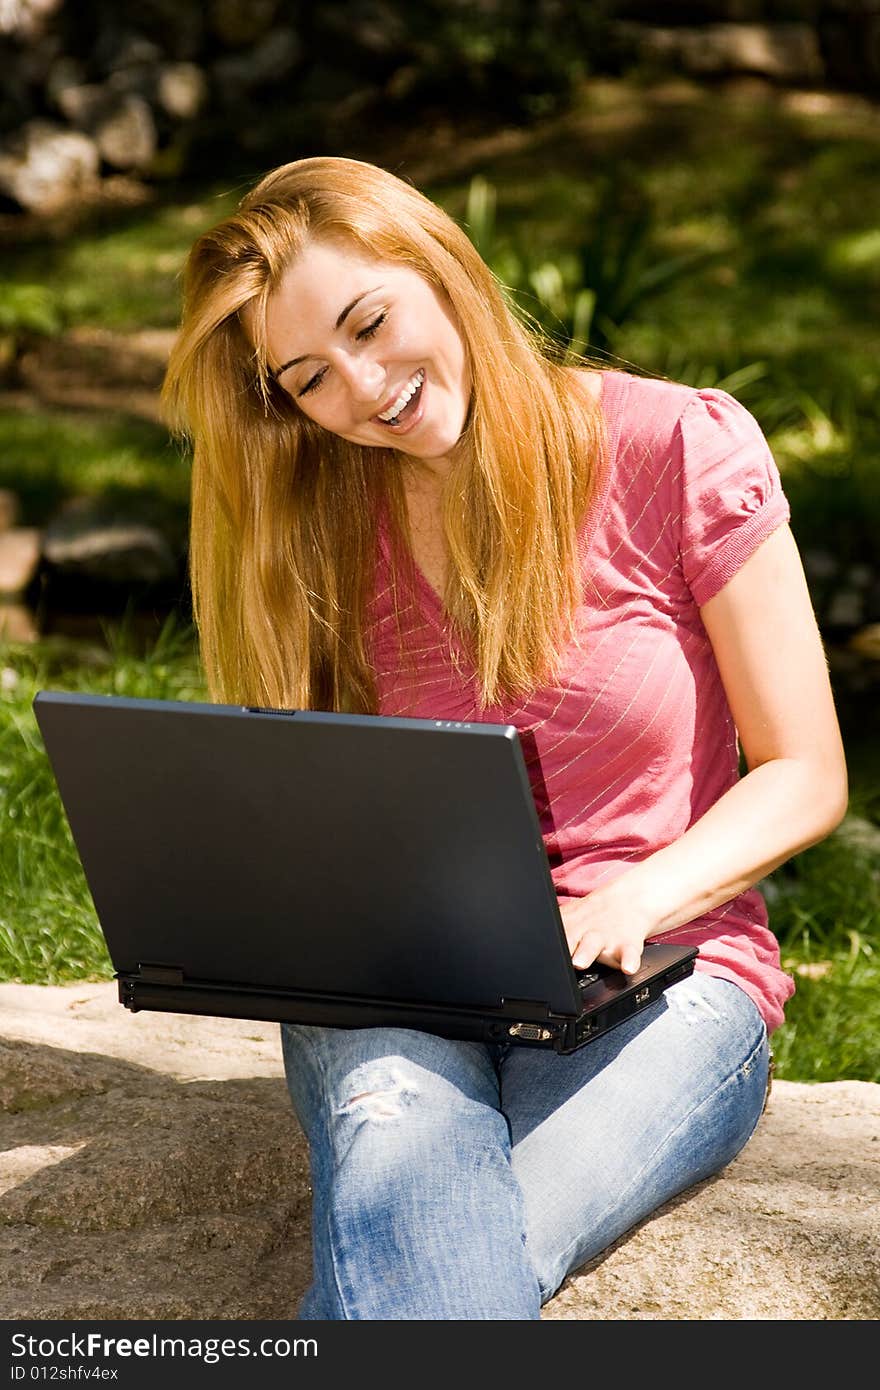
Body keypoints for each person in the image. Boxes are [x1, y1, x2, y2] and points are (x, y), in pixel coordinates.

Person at [161, 156, 848, 1320]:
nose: (366, 387)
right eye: (309, 378)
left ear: (438, 264)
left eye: (370, 322)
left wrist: (640, 893)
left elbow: (805, 770)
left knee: (417, 1249)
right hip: (398, 980)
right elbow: (322, 807)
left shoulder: (674, 445)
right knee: (430, 1231)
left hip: (666, 975)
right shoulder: (318, 535)